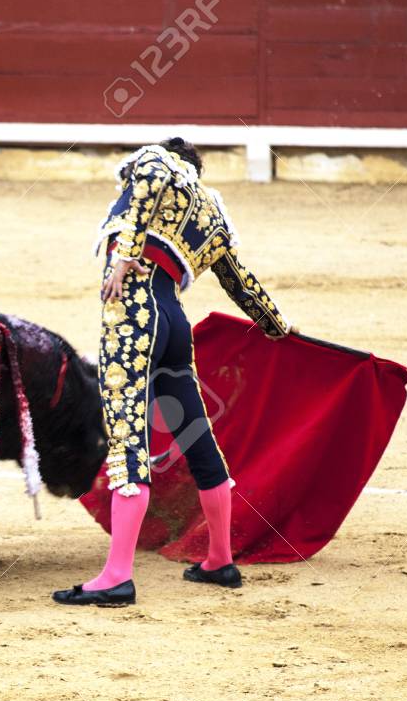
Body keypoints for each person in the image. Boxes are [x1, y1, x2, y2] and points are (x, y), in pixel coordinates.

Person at [53, 138, 294, 607]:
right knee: (197, 439)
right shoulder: (208, 214)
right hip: (174, 325)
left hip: (135, 317)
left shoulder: (156, 164)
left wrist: (125, 255)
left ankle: (116, 577)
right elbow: (239, 280)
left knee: (128, 441)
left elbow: (151, 174)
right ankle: (220, 560)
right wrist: (277, 325)